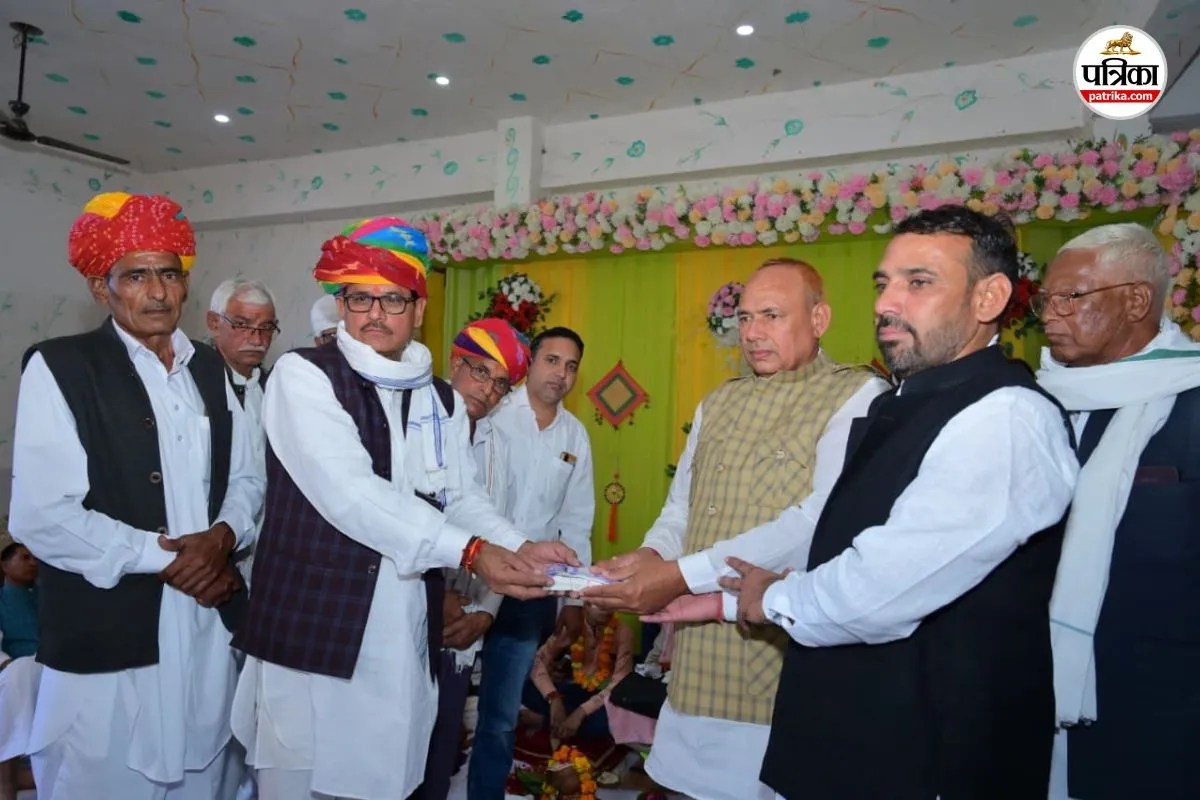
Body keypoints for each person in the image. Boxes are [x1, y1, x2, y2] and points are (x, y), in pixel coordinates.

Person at [657, 206, 1079, 799]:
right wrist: (730, 603)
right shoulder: (905, 403)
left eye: (919, 283)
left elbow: (877, 591)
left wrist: (766, 599)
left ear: (989, 298)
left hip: (937, 753)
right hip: (864, 741)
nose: (887, 303)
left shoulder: (1005, 417)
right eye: (884, 283)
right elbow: (850, 549)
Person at [230, 217, 576, 800]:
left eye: (392, 299)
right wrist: (472, 552)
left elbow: (459, 495)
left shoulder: (440, 397)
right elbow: (351, 495)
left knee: (383, 779)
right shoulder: (304, 375)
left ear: (419, 309)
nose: (375, 314)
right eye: (359, 298)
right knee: (299, 779)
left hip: (397, 629)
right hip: (313, 630)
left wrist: (519, 546)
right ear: (341, 304)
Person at [582, 258, 886, 800]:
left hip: (780, 654)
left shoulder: (857, 396)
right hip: (698, 656)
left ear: (819, 319)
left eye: (772, 315)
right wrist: (649, 557)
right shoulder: (718, 401)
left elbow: (816, 523)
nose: (752, 332)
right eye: (745, 318)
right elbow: (681, 510)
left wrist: (679, 576)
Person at [8, 191, 265, 799]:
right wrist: (171, 557)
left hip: (204, 635)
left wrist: (222, 537)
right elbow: (42, 517)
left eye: (169, 274)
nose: (156, 292)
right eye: (136, 276)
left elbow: (249, 478)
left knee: (206, 776)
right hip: (107, 647)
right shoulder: (61, 367)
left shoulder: (210, 369)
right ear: (102, 288)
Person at [1034, 224, 1200, 800]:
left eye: (1072, 297)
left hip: (1164, 709)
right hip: (1029, 695)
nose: (1050, 314)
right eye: (1046, 299)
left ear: (1136, 301)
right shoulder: (1036, 405)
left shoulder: (1193, 401)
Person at [469, 326, 596, 800]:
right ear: (530, 362)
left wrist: (575, 599)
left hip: (529, 590)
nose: (561, 374)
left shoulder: (574, 435)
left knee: (501, 715)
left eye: (571, 366)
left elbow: (576, 521)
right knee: (440, 699)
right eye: (552, 360)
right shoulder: (494, 412)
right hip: (470, 574)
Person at [414, 317, 532, 800]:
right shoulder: (415, 418)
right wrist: (434, 594)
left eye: (501, 383)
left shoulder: (501, 447)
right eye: (481, 372)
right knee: (395, 758)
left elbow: (499, 523)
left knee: (441, 755)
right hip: (409, 606)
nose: (488, 390)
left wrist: (485, 613)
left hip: (464, 621)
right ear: (454, 362)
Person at [524, 604, 635, 743]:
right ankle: (561, 720)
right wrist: (553, 698)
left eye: (609, 603)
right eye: (599, 603)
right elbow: (537, 661)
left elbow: (620, 682)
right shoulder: (572, 623)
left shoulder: (623, 632)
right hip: (566, 689)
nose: (606, 608)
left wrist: (581, 712)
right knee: (522, 684)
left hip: (600, 696)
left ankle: (544, 720)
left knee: (610, 721)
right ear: (586, 603)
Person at [0, 544, 37, 659]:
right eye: (25, 558)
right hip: (16, 665)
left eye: (36, 559)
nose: (33, 563)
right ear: (5, 566)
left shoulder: (49, 597)